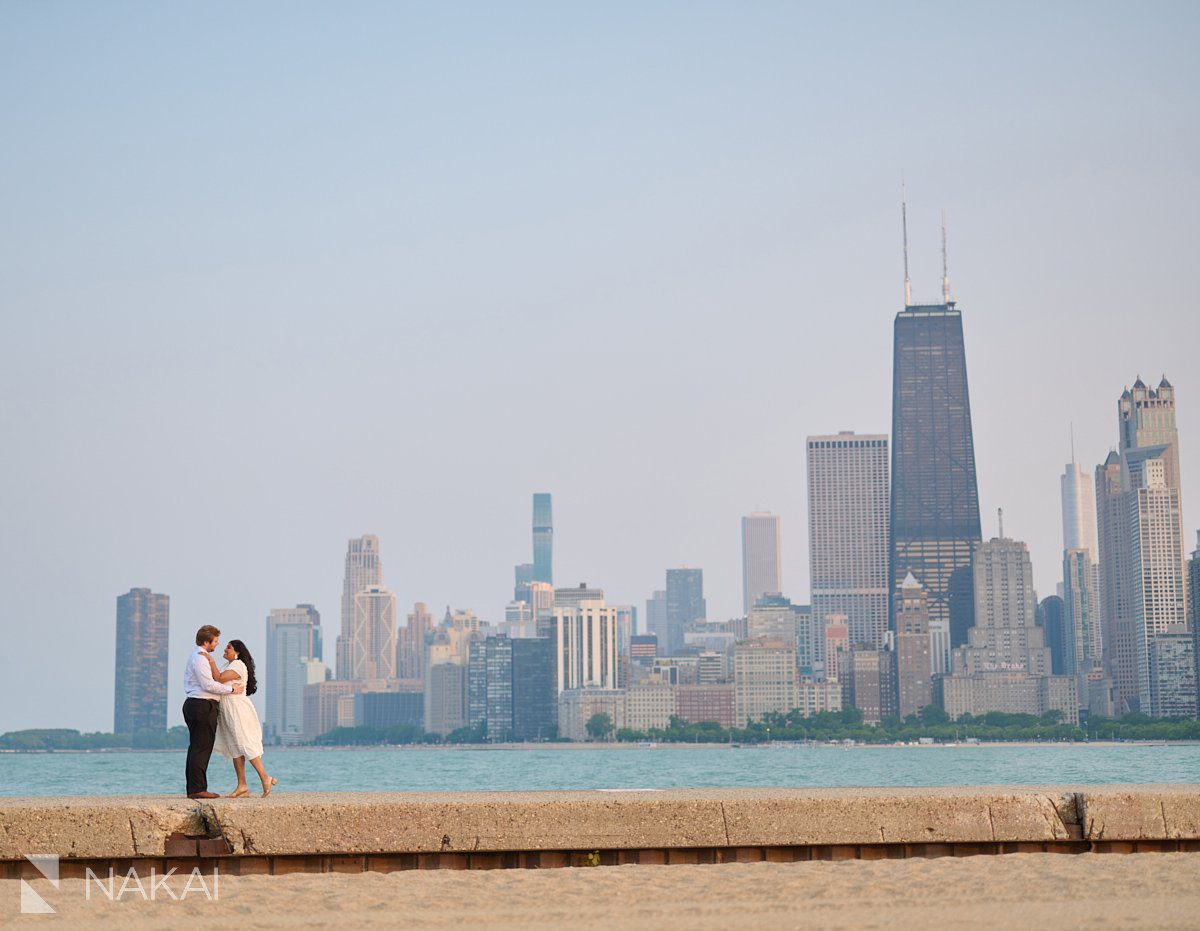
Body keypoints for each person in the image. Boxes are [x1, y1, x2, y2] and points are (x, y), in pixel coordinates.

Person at [201, 639, 277, 797]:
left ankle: (265, 777)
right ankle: (242, 786)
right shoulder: (228, 665)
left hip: (237, 708)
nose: (225, 649)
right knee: (235, 747)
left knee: (244, 743)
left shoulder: (238, 665)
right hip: (228, 709)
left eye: (228, 647)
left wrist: (210, 660)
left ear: (237, 652)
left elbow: (219, 678)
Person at [183, 625, 243, 799]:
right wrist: (232, 690)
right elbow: (208, 685)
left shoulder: (201, 657)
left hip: (198, 705)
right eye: (215, 641)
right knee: (201, 748)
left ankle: (195, 788)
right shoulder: (200, 658)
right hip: (202, 705)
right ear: (206, 641)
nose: (217, 645)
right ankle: (197, 789)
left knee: (197, 747)